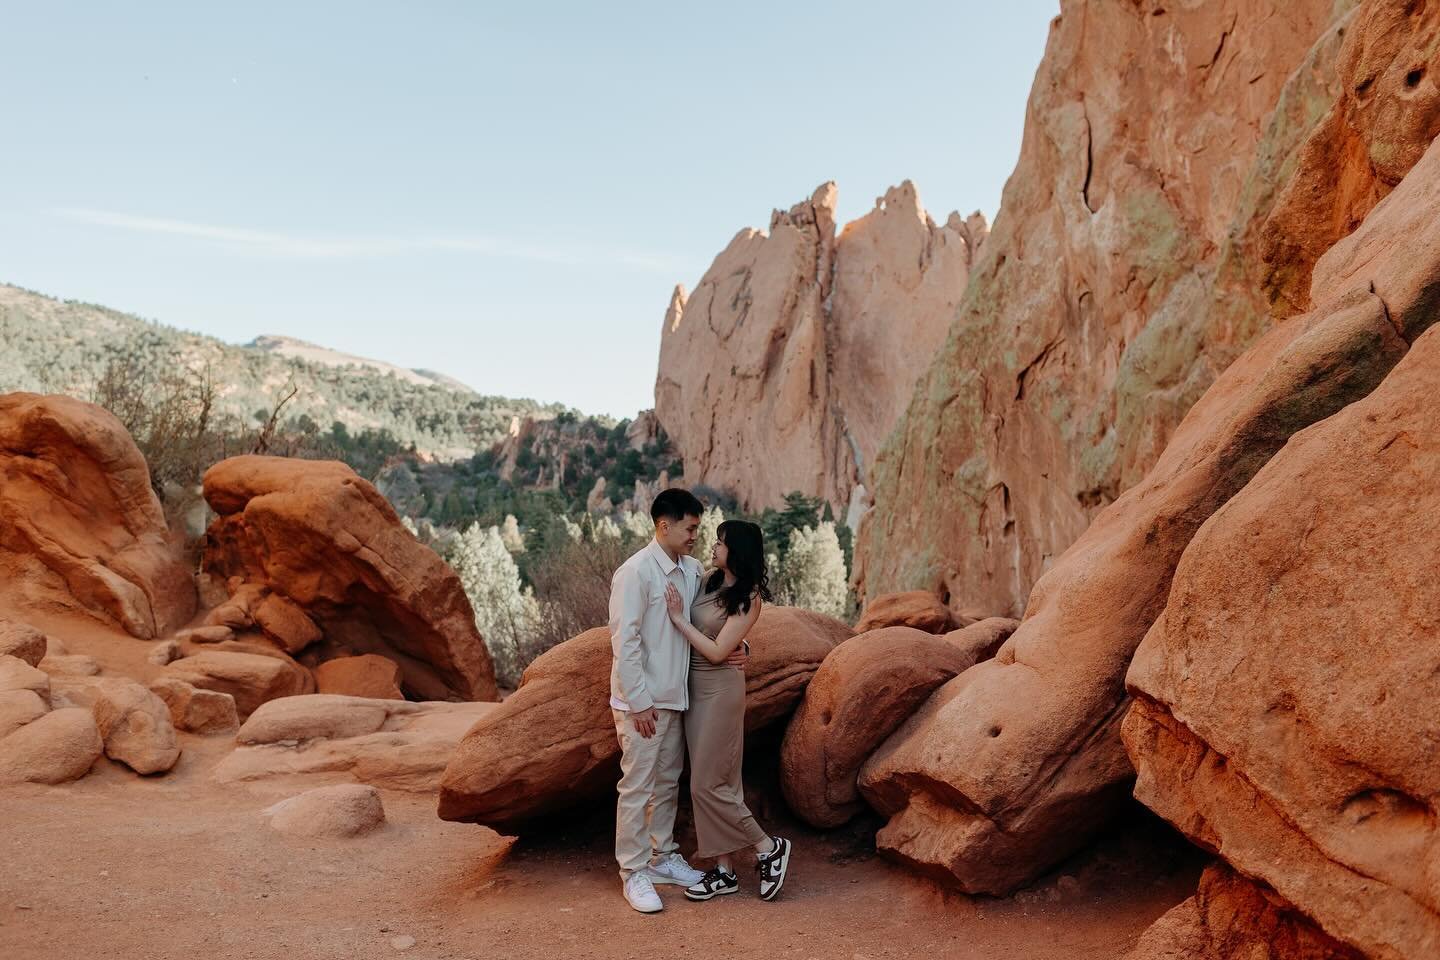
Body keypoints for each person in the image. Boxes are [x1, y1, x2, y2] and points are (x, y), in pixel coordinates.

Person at [664, 519, 792, 903]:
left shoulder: (750, 597)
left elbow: (719, 652)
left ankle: (768, 847)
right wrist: (740, 641)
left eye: (721, 543)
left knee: (708, 783)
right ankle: (724, 871)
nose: (714, 547)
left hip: (720, 691)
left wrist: (678, 620)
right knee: (711, 782)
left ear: (737, 550)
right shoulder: (709, 579)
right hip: (695, 690)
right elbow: (718, 635)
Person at [608, 488, 716, 913]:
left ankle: (662, 857)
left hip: (676, 698)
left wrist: (739, 649)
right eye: (689, 528)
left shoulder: (691, 570)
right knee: (637, 786)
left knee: (667, 783)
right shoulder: (634, 573)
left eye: (698, 529)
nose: (694, 536)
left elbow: (710, 621)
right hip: (642, 703)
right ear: (663, 525)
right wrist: (638, 702)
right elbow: (625, 642)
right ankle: (632, 872)